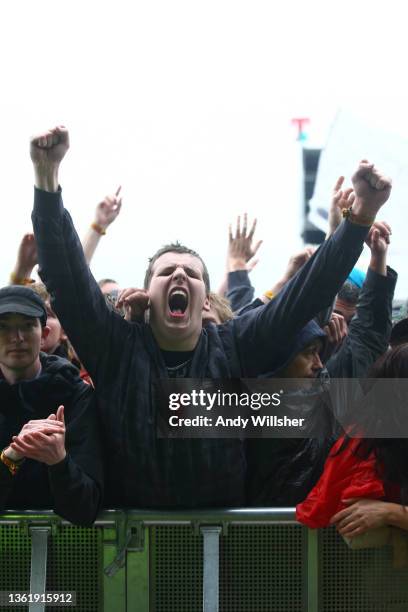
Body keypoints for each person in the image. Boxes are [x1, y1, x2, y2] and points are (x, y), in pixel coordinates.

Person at [30, 125, 391, 508]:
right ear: (148, 295)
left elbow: (304, 298)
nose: (180, 275)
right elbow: (67, 278)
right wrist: (46, 179)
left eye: (192, 273)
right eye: (167, 272)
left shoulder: (234, 346)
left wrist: (360, 217)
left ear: (205, 298)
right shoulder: (114, 348)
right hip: (132, 550)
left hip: (221, 547)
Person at [0, 285, 103, 525]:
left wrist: (59, 462)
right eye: (4, 327)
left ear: (44, 334)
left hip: (71, 556)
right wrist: (11, 457)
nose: (17, 338)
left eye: (27, 325)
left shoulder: (76, 396)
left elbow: (86, 507)